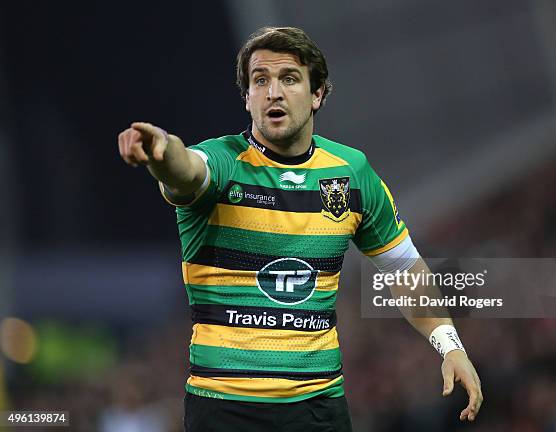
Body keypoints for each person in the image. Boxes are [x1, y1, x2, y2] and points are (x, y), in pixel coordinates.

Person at [117, 26, 483, 432]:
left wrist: (450, 346)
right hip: (224, 410)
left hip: (318, 409)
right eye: (260, 81)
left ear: (317, 95)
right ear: (247, 98)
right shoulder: (221, 162)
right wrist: (162, 152)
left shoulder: (351, 173)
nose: (273, 91)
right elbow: (186, 173)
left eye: (289, 78)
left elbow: (403, 270)